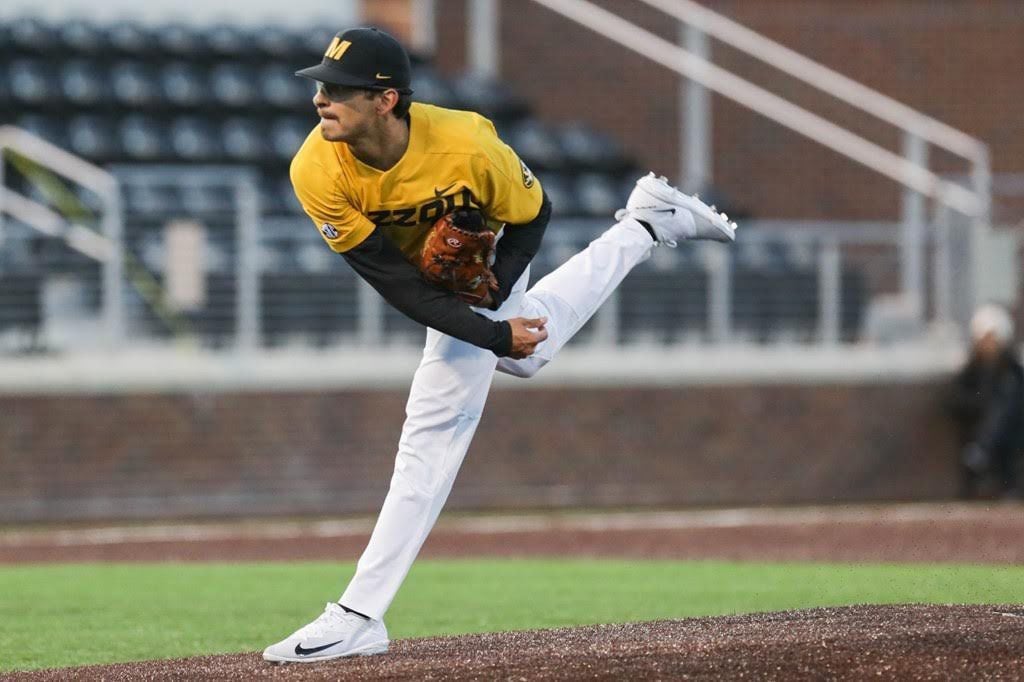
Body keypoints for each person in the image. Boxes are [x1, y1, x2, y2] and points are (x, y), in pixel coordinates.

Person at [262, 27, 736, 664]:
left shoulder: (466, 142)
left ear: (386, 99)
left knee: (431, 429)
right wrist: (492, 333)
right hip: (437, 290)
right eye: (321, 85)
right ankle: (647, 222)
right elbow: (395, 282)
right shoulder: (315, 167)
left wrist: (493, 299)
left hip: (493, 262)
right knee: (530, 352)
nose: (322, 98)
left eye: (340, 88)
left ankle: (357, 614)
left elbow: (533, 215)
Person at [950, 303, 1024, 500]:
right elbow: (956, 400)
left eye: (994, 339)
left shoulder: (1013, 370)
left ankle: (982, 450)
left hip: (1011, 433)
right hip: (975, 427)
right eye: (985, 339)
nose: (989, 345)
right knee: (993, 420)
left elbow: (1015, 403)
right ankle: (981, 450)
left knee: (1002, 417)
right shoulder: (971, 370)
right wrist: (980, 404)